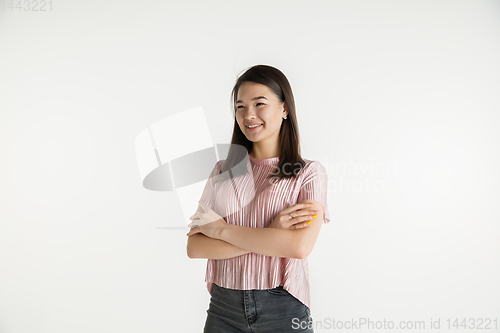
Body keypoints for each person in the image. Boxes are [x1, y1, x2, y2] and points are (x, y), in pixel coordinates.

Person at [186, 64, 330, 332]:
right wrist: (272, 235)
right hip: (223, 307)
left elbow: (298, 247)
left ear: (285, 109)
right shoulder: (222, 170)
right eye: (240, 106)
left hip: (282, 307)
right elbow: (195, 248)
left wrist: (220, 229)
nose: (248, 115)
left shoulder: (308, 173)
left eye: (259, 103)